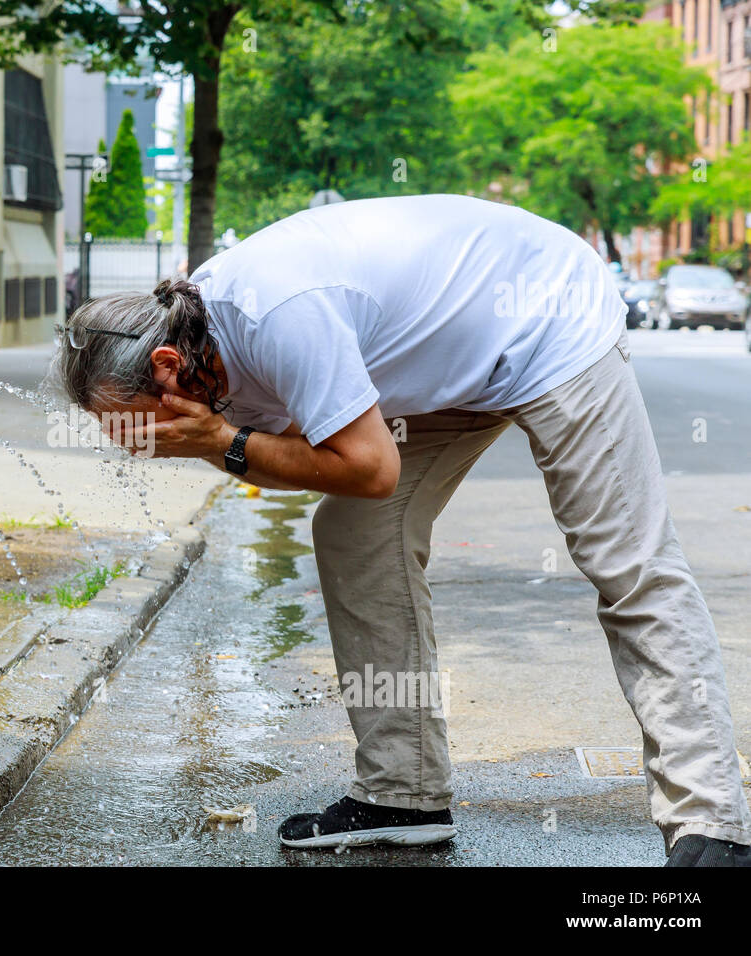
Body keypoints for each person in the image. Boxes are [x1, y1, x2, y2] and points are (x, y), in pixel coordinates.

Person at [50, 194, 751, 867]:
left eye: (128, 419)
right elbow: (306, 457)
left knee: (627, 563)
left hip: (545, 315)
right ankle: (403, 793)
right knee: (355, 534)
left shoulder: (278, 316)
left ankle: (711, 822)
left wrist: (222, 442)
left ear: (166, 367)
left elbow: (366, 465)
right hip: (441, 363)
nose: (127, 441)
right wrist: (220, 440)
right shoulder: (201, 342)